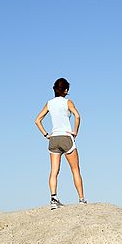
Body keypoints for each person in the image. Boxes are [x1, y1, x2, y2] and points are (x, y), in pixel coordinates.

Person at [35, 78, 87, 209]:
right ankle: (81, 199)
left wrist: (46, 134)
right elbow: (77, 116)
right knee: (75, 169)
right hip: (66, 136)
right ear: (66, 90)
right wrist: (75, 131)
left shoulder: (49, 103)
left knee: (54, 171)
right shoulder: (68, 102)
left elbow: (37, 120)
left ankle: (53, 199)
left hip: (54, 138)